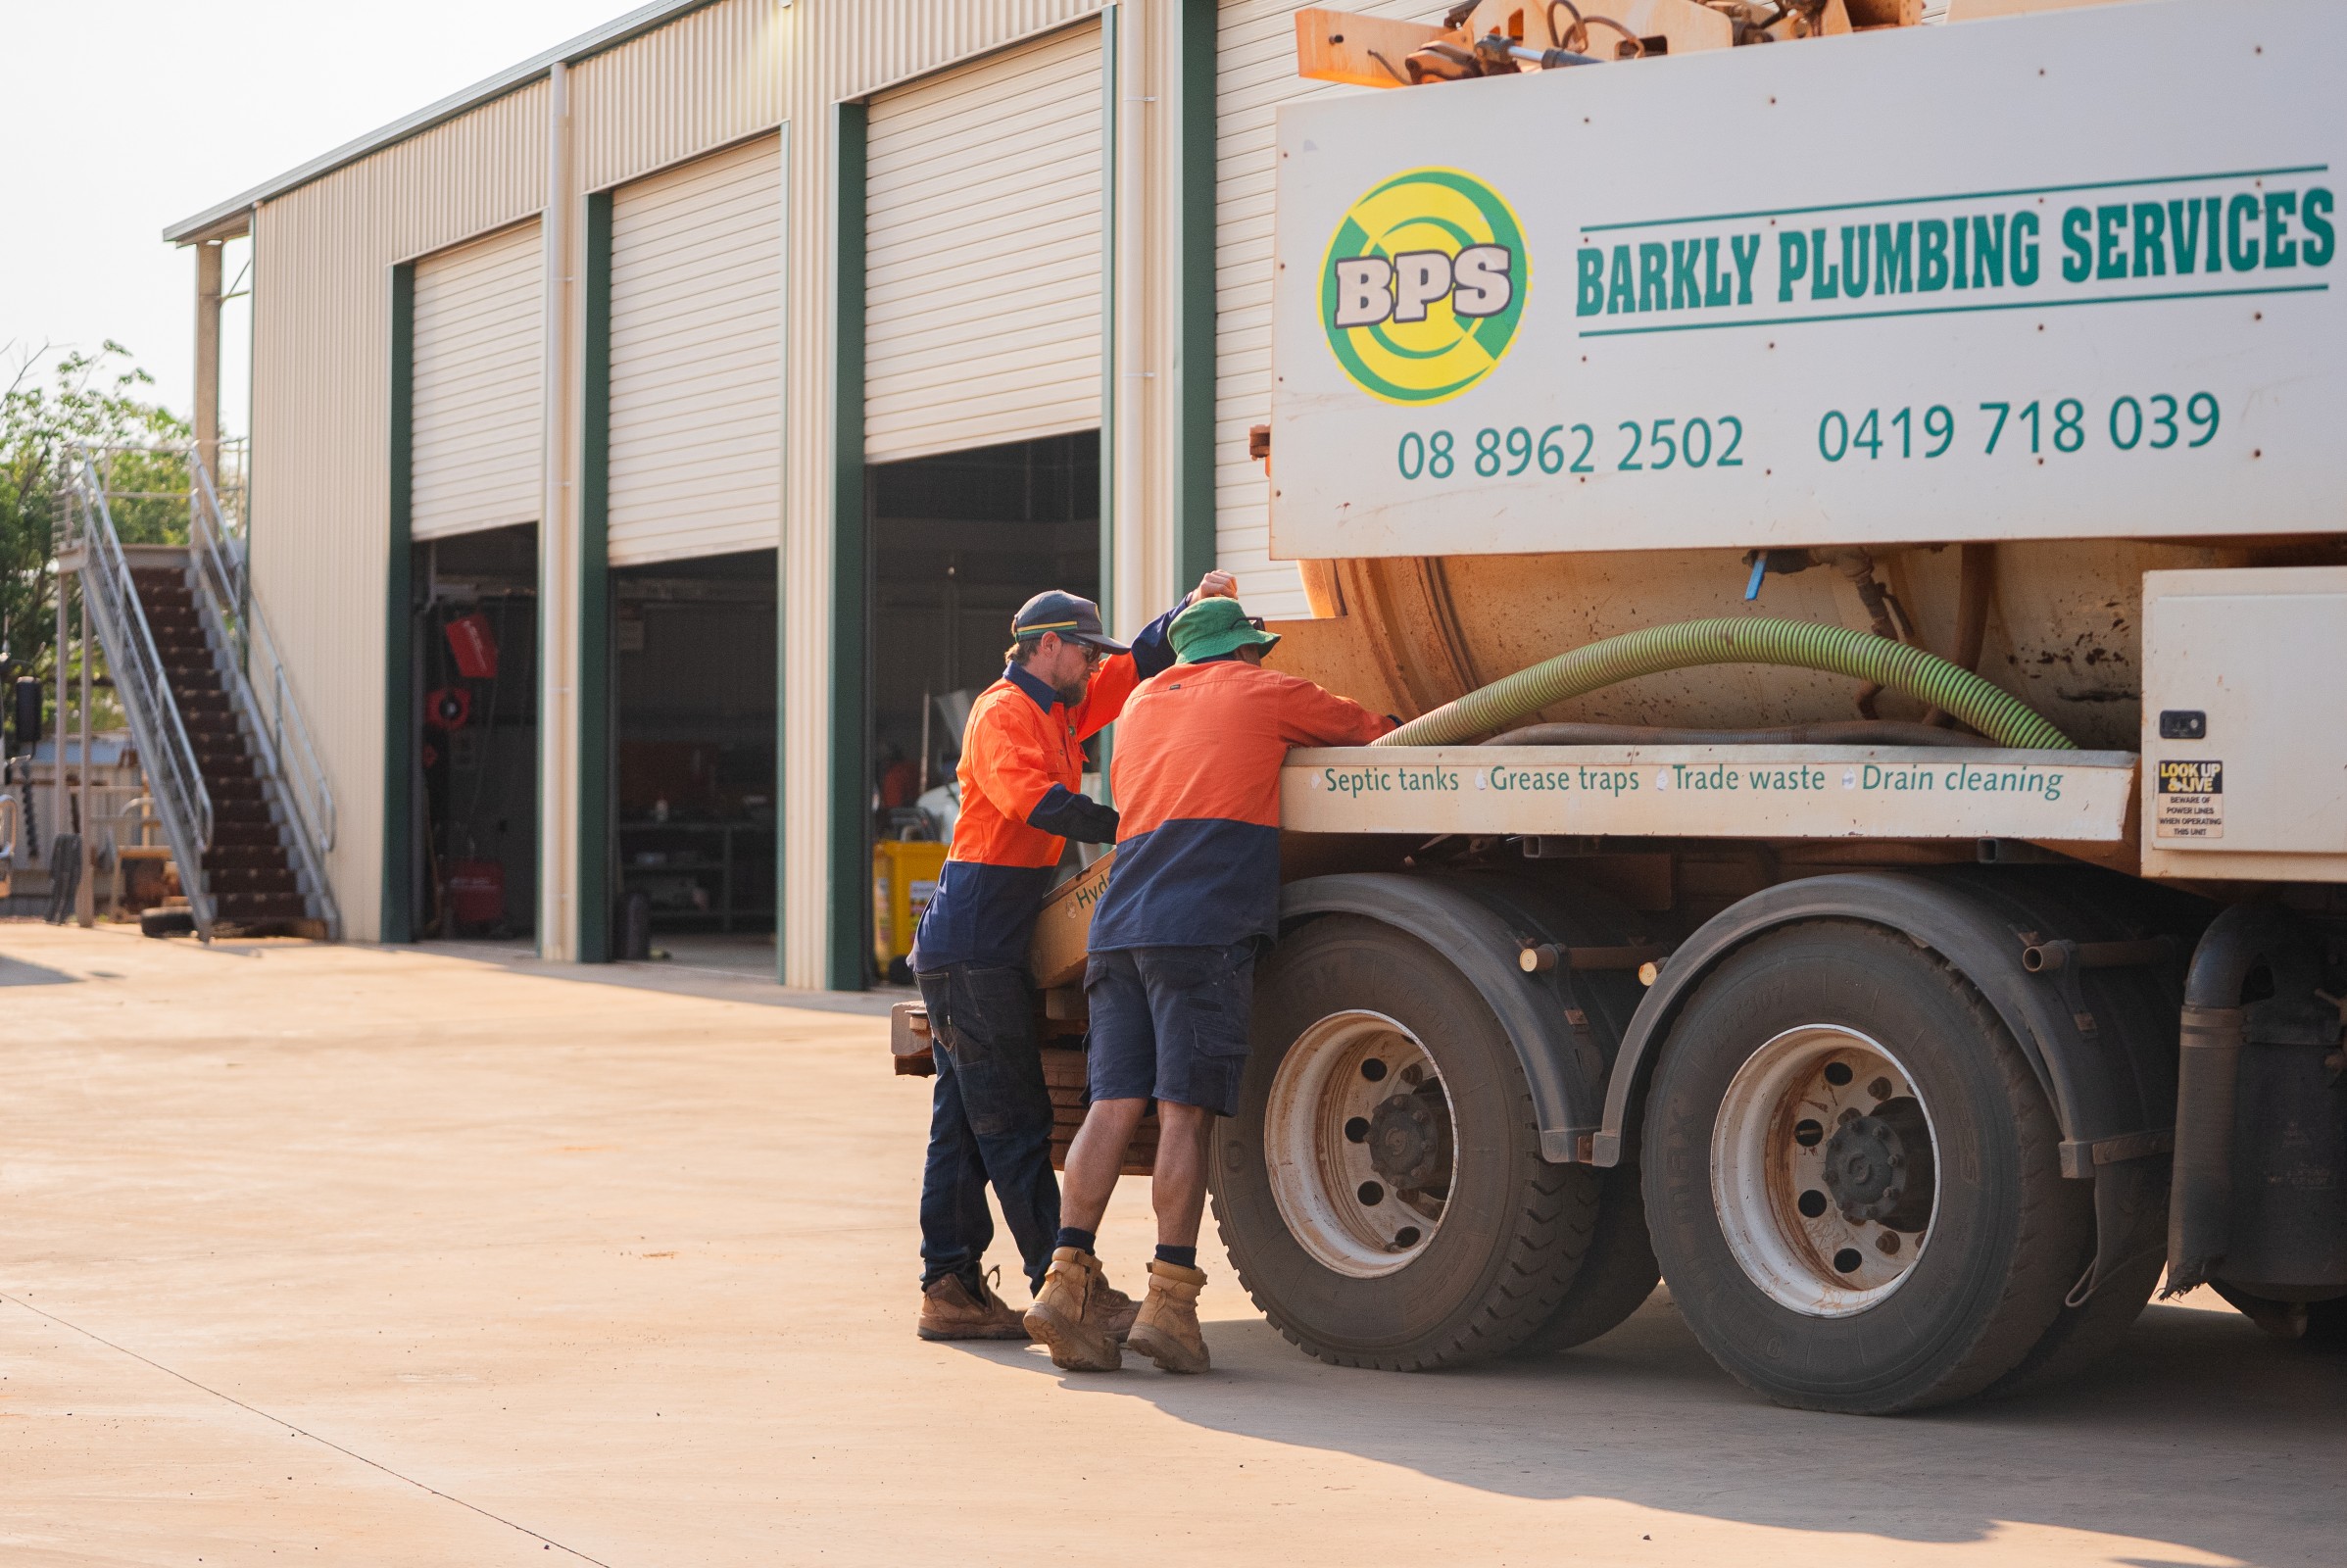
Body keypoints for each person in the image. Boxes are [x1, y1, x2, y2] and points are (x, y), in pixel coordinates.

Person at [1023, 597, 1394, 1372]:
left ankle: (1063, 1281)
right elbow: (1376, 735)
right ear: (1239, 651)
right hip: (1201, 929)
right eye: (1252, 649)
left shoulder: (1140, 706)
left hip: (1118, 928)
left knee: (1112, 1104)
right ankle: (1170, 1306)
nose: (1259, 658)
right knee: (1182, 1117)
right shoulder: (1265, 691)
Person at [908, 571, 1237, 1341]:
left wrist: (1185, 610)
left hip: (982, 941)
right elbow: (1038, 803)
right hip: (971, 940)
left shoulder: (1059, 708)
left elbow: (1128, 675)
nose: (1094, 663)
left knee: (961, 1127)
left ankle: (949, 1286)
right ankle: (1062, 1286)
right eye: (1083, 650)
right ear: (1044, 645)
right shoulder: (1003, 712)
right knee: (1014, 1122)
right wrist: (1134, 824)